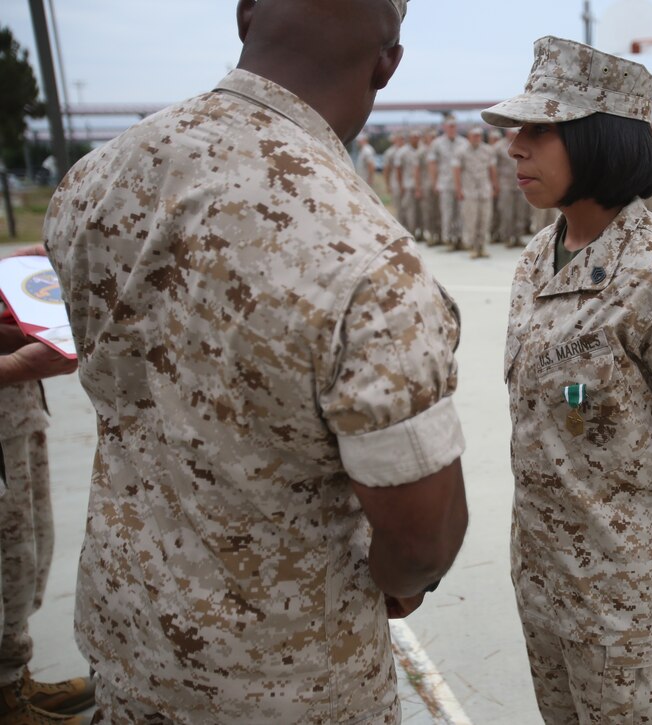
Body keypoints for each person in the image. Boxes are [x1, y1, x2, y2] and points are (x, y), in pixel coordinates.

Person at [42, 1, 469, 722]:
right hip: (288, 680)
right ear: (387, 63)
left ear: (245, 17)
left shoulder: (97, 179)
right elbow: (422, 538)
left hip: (127, 637)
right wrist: (402, 577)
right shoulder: (371, 263)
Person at [483, 36, 652, 724]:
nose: (516, 146)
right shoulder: (539, 258)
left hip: (627, 596)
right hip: (543, 577)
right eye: (517, 130)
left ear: (598, 141)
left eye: (541, 130)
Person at [0, 247, 94, 725]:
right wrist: (14, 366)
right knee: (6, 561)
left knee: (24, 552)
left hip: (14, 416)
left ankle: (11, 680)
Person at [453, 127, 498, 259]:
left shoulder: (488, 150)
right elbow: (456, 171)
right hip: (469, 190)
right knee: (471, 219)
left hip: (484, 189)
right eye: (474, 136)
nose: (476, 138)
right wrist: (458, 189)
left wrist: (495, 186)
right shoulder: (461, 151)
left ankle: (482, 246)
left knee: (485, 218)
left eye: (478, 136)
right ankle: (472, 246)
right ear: (468, 136)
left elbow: (492, 169)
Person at [429, 115, 469, 248]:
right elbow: (433, 165)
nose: (452, 128)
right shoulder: (437, 143)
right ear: (444, 127)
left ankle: (460, 239)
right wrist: (434, 182)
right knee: (447, 213)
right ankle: (449, 240)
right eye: (450, 126)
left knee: (461, 214)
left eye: (454, 125)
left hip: (461, 184)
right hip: (445, 183)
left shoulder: (464, 143)